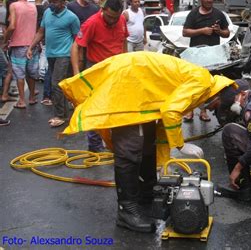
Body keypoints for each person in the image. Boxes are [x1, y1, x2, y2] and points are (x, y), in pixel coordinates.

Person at [59, 51, 236, 233]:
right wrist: (180, 145)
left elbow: (163, 119)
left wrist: (163, 156)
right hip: (130, 84)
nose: (211, 111)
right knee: (131, 148)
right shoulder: (202, 82)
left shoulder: (203, 82)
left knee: (147, 143)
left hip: (138, 84)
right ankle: (127, 211)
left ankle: (147, 194)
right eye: (215, 107)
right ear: (218, 97)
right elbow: (170, 111)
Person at [70, 0, 128, 152]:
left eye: (115, 18)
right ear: (103, 10)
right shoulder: (92, 23)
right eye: (109, 17)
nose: (112, 21)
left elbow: (123, 41)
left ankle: (115, 141)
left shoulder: (121, 20)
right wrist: (77, 75)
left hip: (117, 68)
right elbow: (76, 47)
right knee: (97, 107)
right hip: (97, 68)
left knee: (117, 106)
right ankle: (95, 145)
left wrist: (126, 60)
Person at [28, 0, 80, 127]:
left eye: (55, 1)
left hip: (64, 55)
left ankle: (60, 115)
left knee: (56, 84)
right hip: (50, 54)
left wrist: (77, 60)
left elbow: (77, 40)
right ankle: (66, 112)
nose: (51, 3)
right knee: (60, 84)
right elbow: (41, 32)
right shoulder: (47, 13)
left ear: (63, 2)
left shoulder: (71, 17)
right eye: (50, 0)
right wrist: (31, 47)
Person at [182, 0, 230, 122]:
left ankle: (203, 111)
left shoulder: (219, 14)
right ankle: (190, 110)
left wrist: (219, 31)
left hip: (212, 56)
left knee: (206, 85)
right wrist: (202, 31)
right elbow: (185, 32)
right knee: (193, 83)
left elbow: (227, 33)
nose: (209, 0)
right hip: (196, 55)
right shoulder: (193, 14)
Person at [4, 0, 38, 109]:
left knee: (20, 74)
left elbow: (12, 26)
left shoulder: (14, 6)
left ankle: (22, 101)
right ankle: (32, 97)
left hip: (18, 45)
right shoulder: (33, 7)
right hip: (32, 45)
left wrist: (5, 40)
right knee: (31, 72)